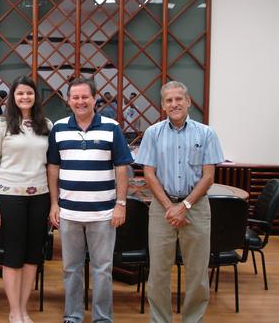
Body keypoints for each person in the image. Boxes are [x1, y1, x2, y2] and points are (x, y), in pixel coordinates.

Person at [135, 81, 224, 323]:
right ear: (163, 106)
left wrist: (184, 207)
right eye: (168, 100)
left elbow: (208, 177)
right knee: (158, 273)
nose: (174, 104)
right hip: (162, 209)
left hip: (196, 209)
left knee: (197, 273)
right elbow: (149, 174)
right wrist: (169, 207)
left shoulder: (206, 133)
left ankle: (193, 319)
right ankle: (160, 320)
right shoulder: (153, 134)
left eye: (178, 99)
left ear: (188, 102)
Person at [47, 77, 133, 323]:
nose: (80, 101)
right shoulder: (59, 128)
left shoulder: (112, 127)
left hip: (103, 213)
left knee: (103, 270)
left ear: (94, 98)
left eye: (85, 97)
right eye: (75, 97)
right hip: (69, 213)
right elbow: (53, 167)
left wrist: (121, 204)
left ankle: (102, 318)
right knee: (70, 269)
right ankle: (72, 316)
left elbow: (121, 168)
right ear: (68, 100)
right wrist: (54, 204)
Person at [0, 76, 52, 323]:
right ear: (12, 97)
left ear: (36, 97)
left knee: (32, 256)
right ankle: (14, 311)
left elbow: (51, 166)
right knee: (13, 255)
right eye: (20, 93)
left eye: (29, 93)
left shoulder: (46, 124)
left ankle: (24, 309)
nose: (25, 97)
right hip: (9, 196)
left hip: (40, 197)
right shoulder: (1, 125)